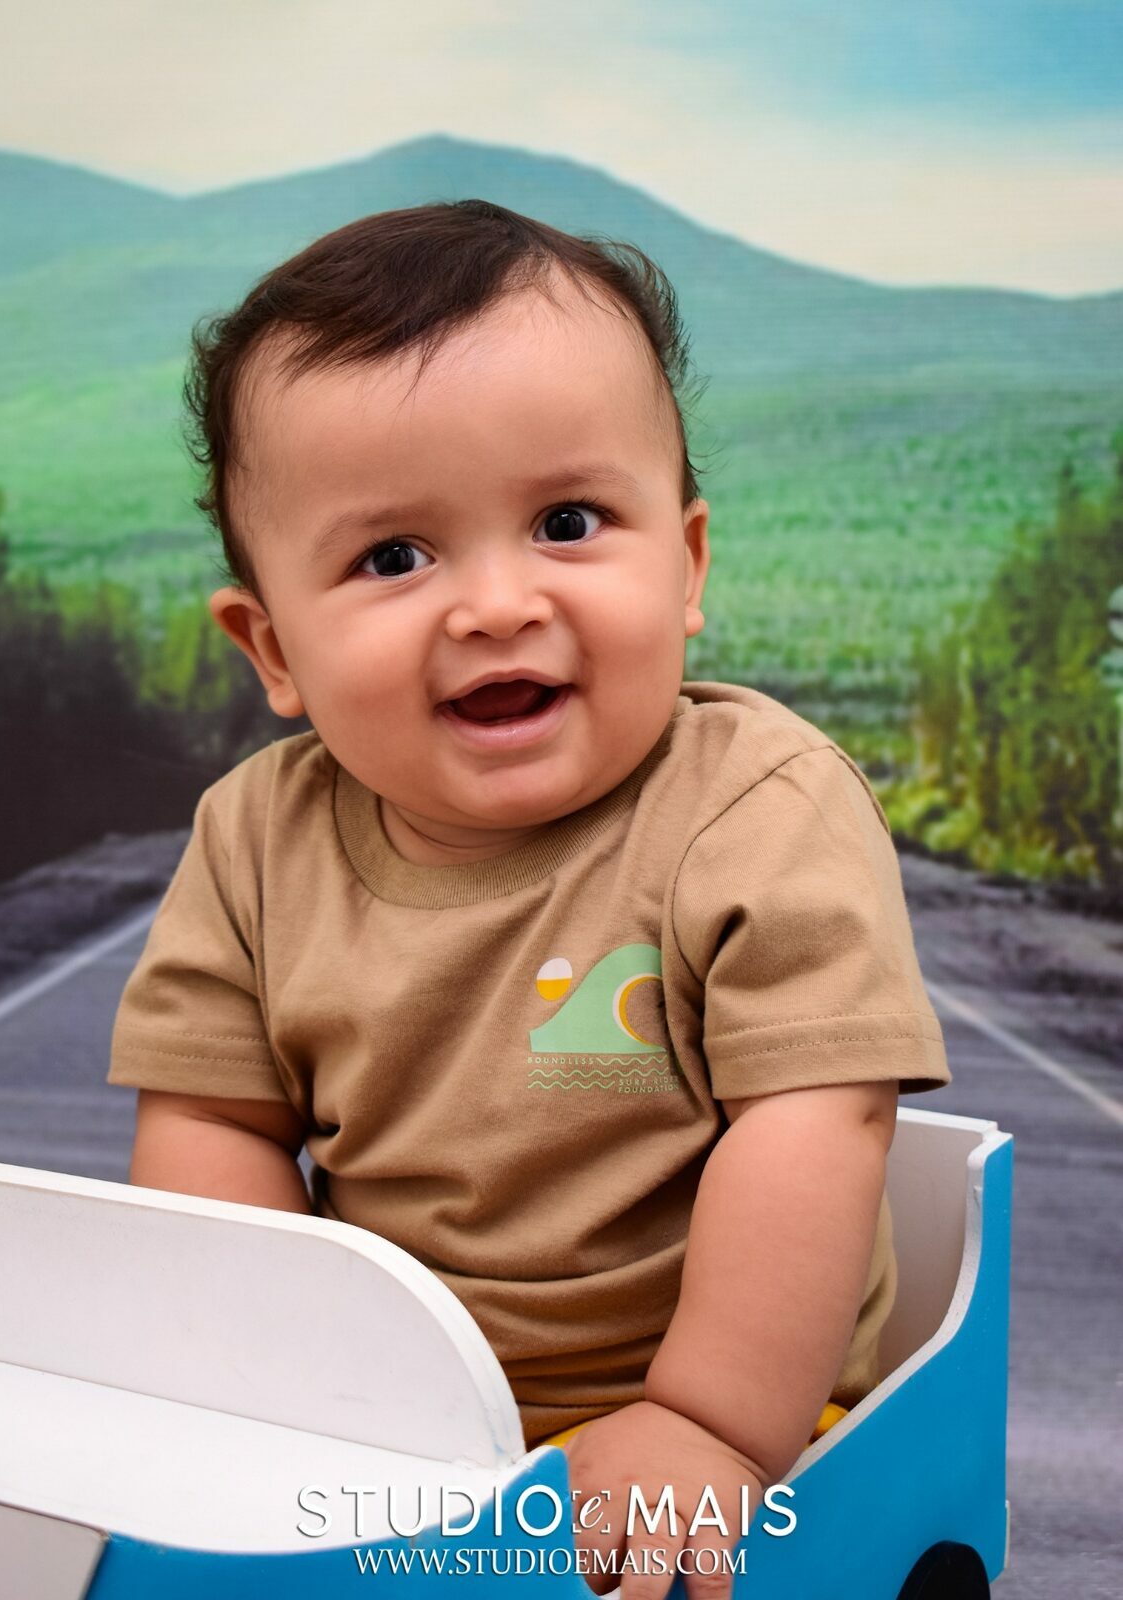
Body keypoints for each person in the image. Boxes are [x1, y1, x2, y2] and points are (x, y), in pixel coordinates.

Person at [107, 199, 950, 1595]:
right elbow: (212, 1129)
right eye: (394, 556)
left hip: (723, 1414)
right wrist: (274, 1384)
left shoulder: (756, 804)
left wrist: (709, 1423)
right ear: (273, 648)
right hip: (390, 1418)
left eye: (568, 523)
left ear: (686, 565)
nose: (496, 604)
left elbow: (817, 1118)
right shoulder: (255, 838)